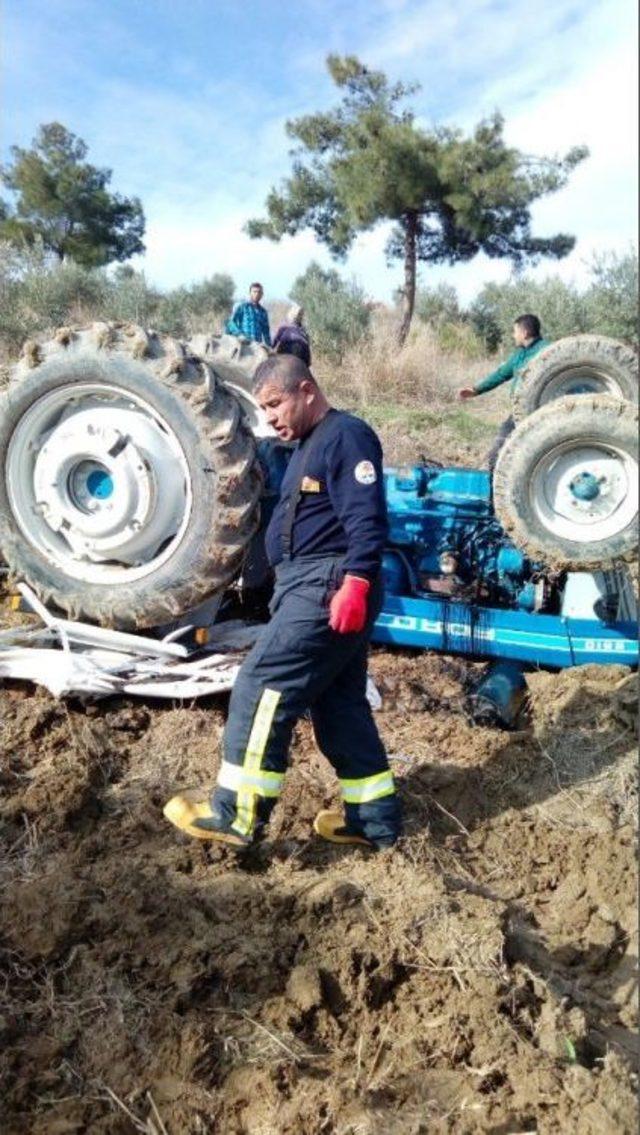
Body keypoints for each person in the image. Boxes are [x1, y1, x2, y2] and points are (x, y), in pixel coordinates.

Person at [164, 354, 401, 851]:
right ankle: (374, 822)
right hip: (312, 586)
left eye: (275, 403)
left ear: (307, 390)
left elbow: (367, 517)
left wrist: (356, 581)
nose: (269, 416)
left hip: (326, 587)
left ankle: (236, 816)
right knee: (339, 704)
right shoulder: (306, 446)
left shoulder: (346, 436)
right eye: (263, 408)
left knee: (260, 683)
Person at [459, 314, 550, 469]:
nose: (513, 335)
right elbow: (502, 374)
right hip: (519, 411)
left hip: (540, 412)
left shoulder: (547, 351)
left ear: (525, 332)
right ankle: (493, 484)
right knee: (500, 449)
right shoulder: (520, 353)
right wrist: (476, 390)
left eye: (515, 331)